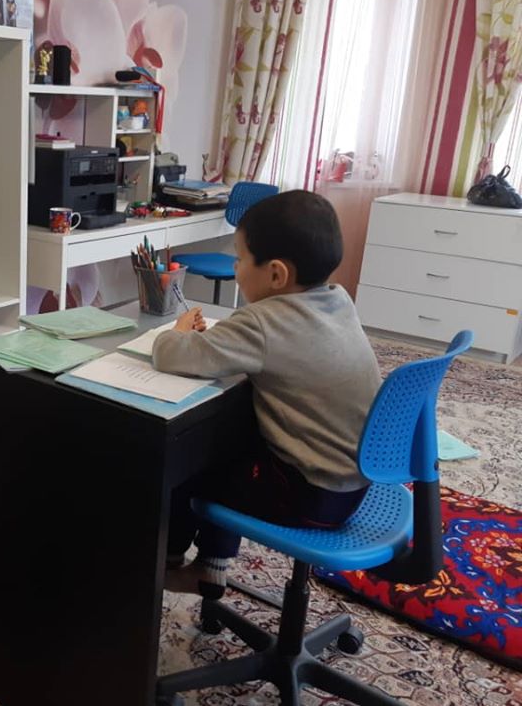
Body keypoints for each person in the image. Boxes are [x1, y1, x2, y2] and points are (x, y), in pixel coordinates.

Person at [152, 189, 381, 599]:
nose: (235, 268)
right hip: (352, 485)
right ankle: (210, 567)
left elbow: (171, 355)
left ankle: (165, 565)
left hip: (309, 497)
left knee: (188, 463)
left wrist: (180, 329)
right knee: (234, 437)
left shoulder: (262, 322)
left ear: (276, 274)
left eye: (240, 259)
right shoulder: (338, 300)